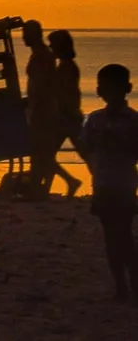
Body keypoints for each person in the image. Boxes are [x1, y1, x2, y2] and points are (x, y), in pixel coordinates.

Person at [79, 64, 138, 302]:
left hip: (123, 184)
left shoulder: (133, 120)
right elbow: (85, 145)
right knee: (112, 237)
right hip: (103, 183)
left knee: (122, 234)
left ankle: (131, 283)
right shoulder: (95, 119)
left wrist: (119, 143)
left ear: (127, 89)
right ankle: (121, 286)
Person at [22, 20, 60, 198]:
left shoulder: (42, 56)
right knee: (41, 151)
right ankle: (39, 187)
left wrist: (35, 108)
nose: (23, 37)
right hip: (42, 107)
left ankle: (38, 188)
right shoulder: (40, 54)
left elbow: (42, 85)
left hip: (43, 109)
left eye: (26, 34)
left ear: (35, 35)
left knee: (40, 150)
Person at [47, 29, 84, 198]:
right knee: (47, 154)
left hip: (67, 117)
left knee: (46, 154)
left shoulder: (67, 67)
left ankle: (70, 181)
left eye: (53, 44)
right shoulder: (66, 65)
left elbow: (64, 92)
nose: (50, 47)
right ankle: (68, 182)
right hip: (69, 116)